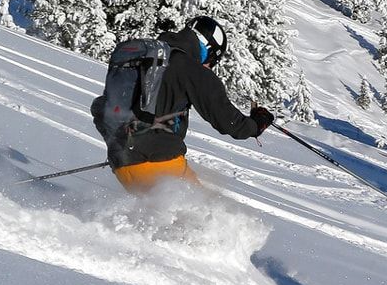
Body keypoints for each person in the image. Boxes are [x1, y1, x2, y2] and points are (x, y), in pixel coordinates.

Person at [91, 15, 275, 193]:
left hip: (122, 162)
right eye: (212, 61)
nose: (209, 67)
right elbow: (232, 124)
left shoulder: (149, 60)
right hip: (158, 161)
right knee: (207, 216)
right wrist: (257, 124)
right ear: (208, 49)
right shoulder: (190, 68)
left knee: (163, 219)